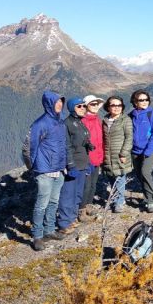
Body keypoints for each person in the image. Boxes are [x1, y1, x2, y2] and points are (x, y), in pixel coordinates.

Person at [28, 90, 68, 251]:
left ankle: (49, 230)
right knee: (41, 204)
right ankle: (37, 236)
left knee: (53, 202)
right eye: (56, 102)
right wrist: (34, 167)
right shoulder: (40, 124)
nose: (59, 104)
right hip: (44, 171)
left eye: (61, 102)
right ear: (49, 104)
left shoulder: (60, 122)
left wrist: (64, 165)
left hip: (59, 170)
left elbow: (62, 145)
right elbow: (30, 147)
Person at [58, 97, 93, 235]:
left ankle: (72, 218)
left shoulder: (80, 122)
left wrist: (88, 162)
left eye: (84, 106)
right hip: (73, 165)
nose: (83, 108)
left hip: (83, 163)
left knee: (78, 194)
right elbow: (66, 146)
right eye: (80, 106)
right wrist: (70, 165)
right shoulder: (67, 124)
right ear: (72, 108)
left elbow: (82, 142)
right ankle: (64, 223)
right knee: (68, 195)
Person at [129, 90, 153, 213]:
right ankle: (146, 197)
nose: (144, 102)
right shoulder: (131, 115)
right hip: (135, 151)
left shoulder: (151, 114)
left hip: (149, 149)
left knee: (145, 172)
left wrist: (149, 149)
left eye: (146, 99)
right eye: (141, 100)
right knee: (139, 175)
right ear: (135, 101)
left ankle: (151, 200)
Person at [102, 96, 133, 213]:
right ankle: (115, 199)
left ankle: (119, 203)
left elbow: (129, 137)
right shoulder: (105, 120)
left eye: (119, 105)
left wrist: (124, 153)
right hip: (108, 155)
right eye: (113, 105)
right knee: (111, 178)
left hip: (120, 154)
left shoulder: (126, 120)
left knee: (120, 178)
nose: (116, 108)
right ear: (108, 107)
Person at [79, 95, 105, 221]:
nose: (95, 106)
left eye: (96, 104)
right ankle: (81, 211)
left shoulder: (97, 119)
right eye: (92, 104)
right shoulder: (83, 121)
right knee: (86, 185)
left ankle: (88, 206)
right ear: (86, 106)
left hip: (97, 157)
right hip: (87, 158)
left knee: (93, 184)